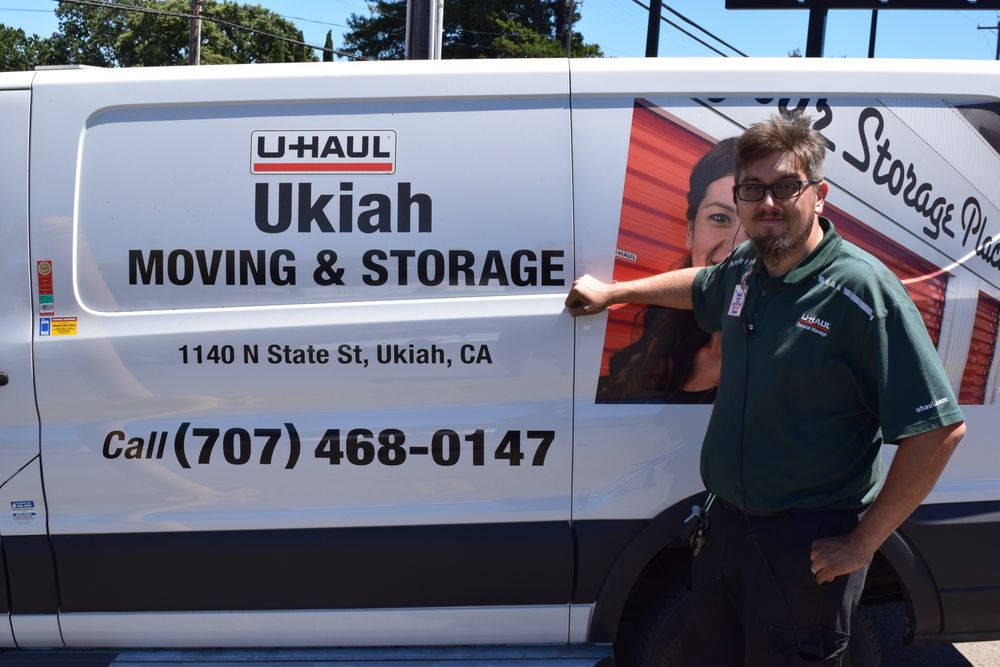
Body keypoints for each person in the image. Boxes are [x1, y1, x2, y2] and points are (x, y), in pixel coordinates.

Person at [566, 112, 965, 665]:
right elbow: (702, 285)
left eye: (785, 187)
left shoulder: (862, 292)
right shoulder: (751, 266)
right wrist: (615, 293)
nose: (768, 202)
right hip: (727, 532)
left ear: (819, 194)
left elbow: (939, 431)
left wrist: (862, 543)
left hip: (806, 548)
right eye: (753, 189)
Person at [598, 137, 747, 404]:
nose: (736, 245)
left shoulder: (779, 358)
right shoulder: (661, 337)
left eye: (754, 224)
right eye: (720, 218)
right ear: (690, 231)